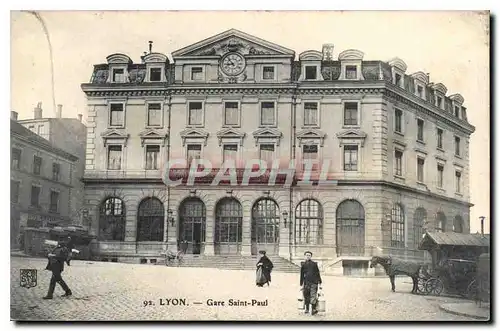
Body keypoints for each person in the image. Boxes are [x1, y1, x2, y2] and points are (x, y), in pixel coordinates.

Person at [300, 251, 322, 315]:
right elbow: (301, 274)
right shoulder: (303, 265)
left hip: (314, 282)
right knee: (306, 296)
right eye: (306, 255)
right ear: (305, 256)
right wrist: (301, 283)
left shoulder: (314, 264)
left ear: (311, 256)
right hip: (306, 282)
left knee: (313, 295)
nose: (308, 256)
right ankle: (306, 309)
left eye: (309, 255)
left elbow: (317, 273)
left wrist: (320, 281)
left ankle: (313, 309)